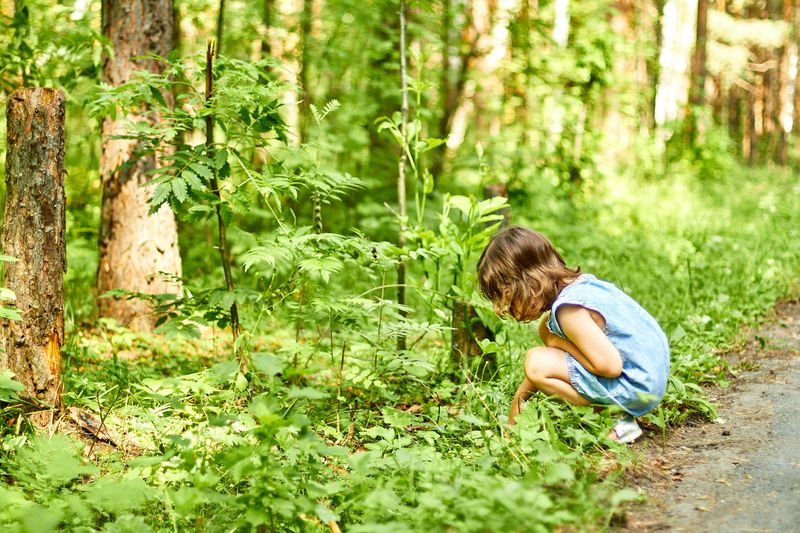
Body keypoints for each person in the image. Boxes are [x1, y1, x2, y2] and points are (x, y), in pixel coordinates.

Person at [476, 225, 670, 443]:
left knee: (536, 361)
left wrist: (555, 341)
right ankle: (619, 417)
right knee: (538, 360)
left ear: (528, 283)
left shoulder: (569, 311)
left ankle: (616, 421)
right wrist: (518, 404)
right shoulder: (581, 286)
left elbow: (609, 366)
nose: (504, 309)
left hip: (638, 385)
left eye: (507, 298)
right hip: (648, 376)